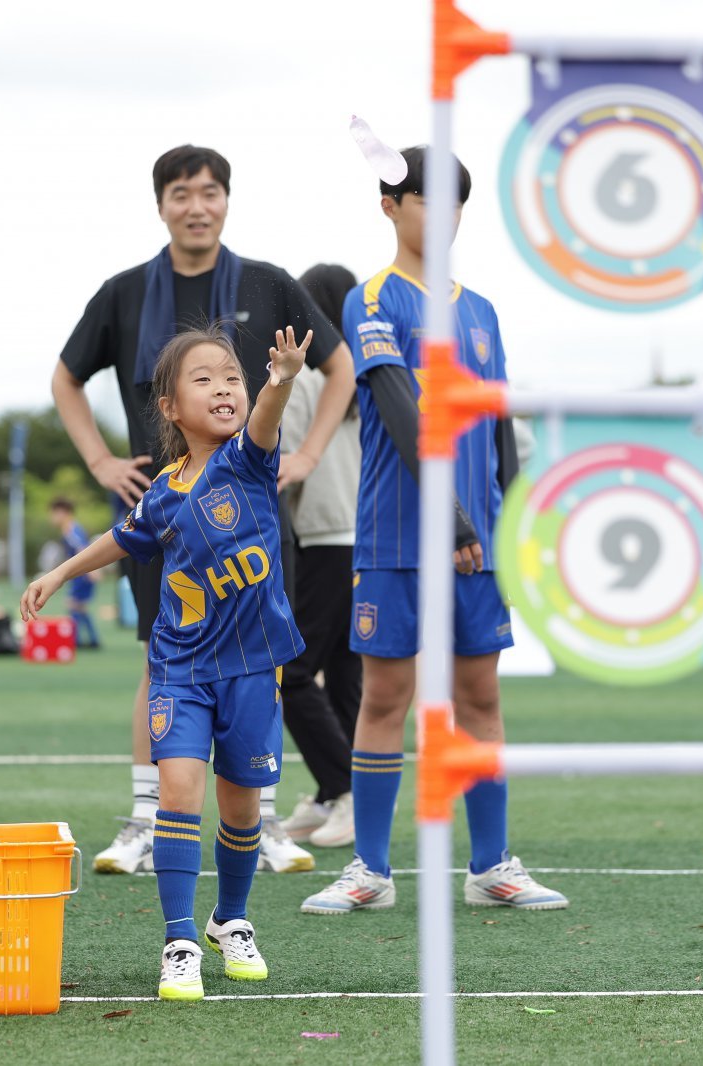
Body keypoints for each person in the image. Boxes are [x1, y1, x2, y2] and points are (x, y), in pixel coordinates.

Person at [53, 145, 356, 876]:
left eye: (211, 192)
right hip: (165, 515)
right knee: (161, 657)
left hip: (254, 519)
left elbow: (340, 366)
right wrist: (100, 461)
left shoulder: (269, 284)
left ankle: (267, 819)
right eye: (182, 193)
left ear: (227, 200)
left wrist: (307, 457)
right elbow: (66, 379)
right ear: (161, 204)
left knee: (264, 660)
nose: (197, 205)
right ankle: (146, 819)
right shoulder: (125, 292)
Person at [301, 147, 567, 916]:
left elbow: (500, 423)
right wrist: (447, 513)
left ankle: (491, 867)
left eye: (456, 202)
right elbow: (391, 399)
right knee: (385, 696)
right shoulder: (372, 297)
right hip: (395, 536)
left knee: (481, 695)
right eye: (427, 199)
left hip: (479, 538)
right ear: (391, 204)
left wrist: (507, 522)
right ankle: (370, 871)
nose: (443, 215)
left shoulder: (480, 309)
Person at [23, 323, 311, 1001]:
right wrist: (59, 573)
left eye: (233, 377)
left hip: (251, 671)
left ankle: (230, 920)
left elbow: (267, 415)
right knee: (180, 793)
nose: (225, 388)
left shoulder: (249, 459)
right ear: (171, 407)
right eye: (204, 379)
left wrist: (282, 379)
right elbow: (119, 538)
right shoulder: (162, 494)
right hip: (179, 669)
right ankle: (180, 938)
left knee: (242, 809)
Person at [277, 264, 362, 849]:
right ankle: (339, 794)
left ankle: (346, 787)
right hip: (371, 538)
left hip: (325, 536)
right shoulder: (375, 376)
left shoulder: (309, 379)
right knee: (347, 675)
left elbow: (278, 460)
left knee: (291, 671)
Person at [48, 497, 101, 649]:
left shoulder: (71, 530)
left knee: (73, 604)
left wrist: (91, 571)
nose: (52, 518)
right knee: (79, 606)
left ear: (62, 513)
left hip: (81, 574)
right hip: (80, 573)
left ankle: (77, 640)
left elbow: (82, 549)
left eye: (54, 514)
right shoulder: (72, 528)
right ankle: (91, 640)